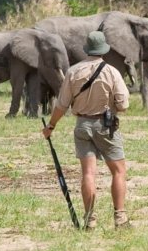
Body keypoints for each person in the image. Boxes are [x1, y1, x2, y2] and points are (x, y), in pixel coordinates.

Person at [42, 31, 131, 230]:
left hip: (82, 125)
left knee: (88, 174)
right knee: (118, 171)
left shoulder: (73, 72)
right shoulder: (112, 72)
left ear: (87, 50)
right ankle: (120, 217)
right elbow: (123, 104)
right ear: (104, 50)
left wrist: (51, 126)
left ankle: (90, 219)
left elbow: (61, 105)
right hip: (105, 126)